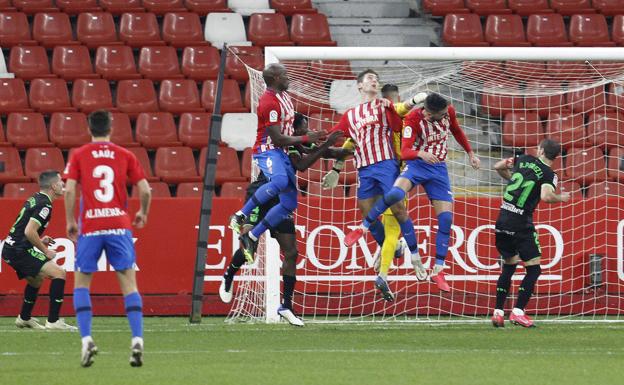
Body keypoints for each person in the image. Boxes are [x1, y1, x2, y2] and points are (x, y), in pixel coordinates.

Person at [344, 92, 481, 293]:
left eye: (445, 113)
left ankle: (438, 270)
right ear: (428, 113)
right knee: (395, 194)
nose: (445, 116)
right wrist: (421, 154)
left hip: (438, 169)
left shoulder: (447, 111)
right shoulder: (413, 119)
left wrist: (470, 153)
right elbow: (406, 151)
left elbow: (457, 130)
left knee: (445, 220)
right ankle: (362, 228)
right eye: (440, 114)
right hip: (417, 165)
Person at [220, 113, 348, 326]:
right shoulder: (284, 145)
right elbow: (302, 165)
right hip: (261, 193)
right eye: (303, 129)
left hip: (281, 200)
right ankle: (229, 274)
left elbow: (321, 152)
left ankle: (286, 305)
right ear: (294, 129)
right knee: (249, 245)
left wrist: (347, 151)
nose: (306, 132)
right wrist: (328, 144)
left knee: (291, 252)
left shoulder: (298, 144)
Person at [324, 69, 425, 303]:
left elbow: (400, 110)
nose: (374, 81)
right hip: (364, 169)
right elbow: (342, 139)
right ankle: (393, 247)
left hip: (386, 164)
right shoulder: (351, 115)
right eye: (370, 78)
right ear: (359, 86)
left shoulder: (382, 105)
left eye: (376, 79)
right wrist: (336, 168)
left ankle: (414, 255)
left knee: (398, 209)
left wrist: (413, 101)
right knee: (367, 212)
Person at [64, 110, 152, 367]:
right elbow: (145, 189)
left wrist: (70, 221)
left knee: (81, 285)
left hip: (91, 226)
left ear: (89, 128)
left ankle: (87, 339)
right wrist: (143, 212)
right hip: (118, 225)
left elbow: (69, 189)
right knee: (129, 285)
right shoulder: (125, 154)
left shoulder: (79, 154)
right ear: (111, 128)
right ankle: (137, 340)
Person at [229, 63, 326, 263]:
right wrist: (308, 139)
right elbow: (278, 139)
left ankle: (252, 235)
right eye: (284, 75)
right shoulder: (268, 102)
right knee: (280, 181)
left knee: (289, 203)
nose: (288, 77)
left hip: (281, 152)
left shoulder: (285, 97)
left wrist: (311, 138)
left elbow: (289, 132)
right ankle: (240, 215)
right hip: (267, 150)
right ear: (274, 78)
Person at [491, 139, 570, 328]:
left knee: (509, 265)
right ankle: (518, 312)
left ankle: (498, 312)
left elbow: (498, 166)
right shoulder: (549, 174)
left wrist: (512, 177)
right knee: (534, 268)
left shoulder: (523, 159)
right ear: (556, 157)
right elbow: (546, 196)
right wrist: (561, 198)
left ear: (541, 150)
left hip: (502, 218)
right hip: (520, 223)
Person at [2, 170, 76, 331]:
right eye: (60, 182)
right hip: (18, 250)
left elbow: (24, 229)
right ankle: (53, 321)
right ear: (53, 186)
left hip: (12, 247)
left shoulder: (36, 198)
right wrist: (45, 250)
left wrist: (40, 241)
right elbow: (29, 231)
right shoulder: (45, 204)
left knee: (35, 280)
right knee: (59, 273)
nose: (63, 185)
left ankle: (24, 318)